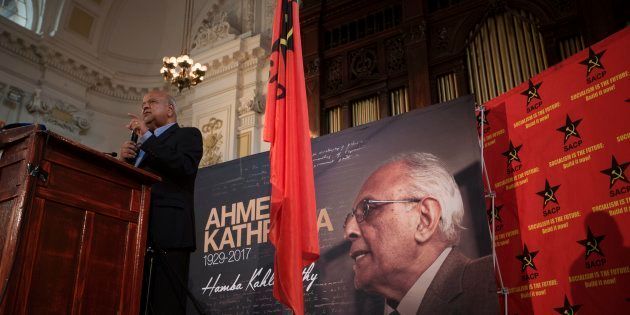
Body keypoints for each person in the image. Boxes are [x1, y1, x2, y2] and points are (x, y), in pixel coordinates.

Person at [343, 152, 499, 315]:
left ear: (425, 219)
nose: (348, 231)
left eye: (368, 208)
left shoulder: (496, 281)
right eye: (350, 218)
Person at [119, 90, 203, 315]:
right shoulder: (141, 145)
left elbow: (184, 167)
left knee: (165, 305)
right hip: (136, 235)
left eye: (152, 102)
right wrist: (124, 162)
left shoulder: (188, 135)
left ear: (170, 109)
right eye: (143, 103)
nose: (145, 106)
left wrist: (147, 137)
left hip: (169, 235)